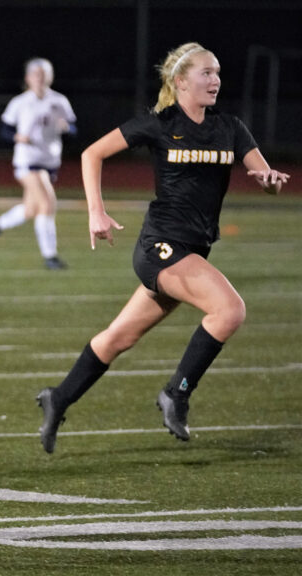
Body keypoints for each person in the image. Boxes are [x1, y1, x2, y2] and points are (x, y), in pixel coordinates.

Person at [36, 42, 289, 454]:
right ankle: (177, 393)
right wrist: (95, 212)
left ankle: (59, 397)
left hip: (193, 250)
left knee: (119, 337)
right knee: (229, 310)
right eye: (206, 72)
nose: (216, 80)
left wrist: (270, 181)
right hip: (161, 247)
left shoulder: (231, 128)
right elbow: (91, 154)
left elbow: (264, 176)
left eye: (218, 72)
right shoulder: (159, 124)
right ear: (180, 80)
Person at [0, 58, 77, 270]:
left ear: (50, 76)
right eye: (36, 74)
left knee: (30, 210)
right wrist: (17, 137)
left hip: (50, 161)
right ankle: (50, 257)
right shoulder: (20, 102)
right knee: (47, 204)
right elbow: (4, 130)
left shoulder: (59, 100)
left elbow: (74, 129)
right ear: (28, 78)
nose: (40, 78)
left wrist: (66, 127)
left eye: (44, 73)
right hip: (27, 161)